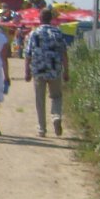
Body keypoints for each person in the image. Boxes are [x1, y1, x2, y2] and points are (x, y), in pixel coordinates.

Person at [24, 7, 70, 137]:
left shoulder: (34, 33)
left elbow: (28, 54)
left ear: (40, 18)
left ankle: (42, 129)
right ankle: (56, 116)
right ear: (51, 19)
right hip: (55, 69)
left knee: (40, 100)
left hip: (38, 69)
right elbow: (64, 53)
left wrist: (27, 71)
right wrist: (66, 71)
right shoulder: (57, 33)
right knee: (56, 96)